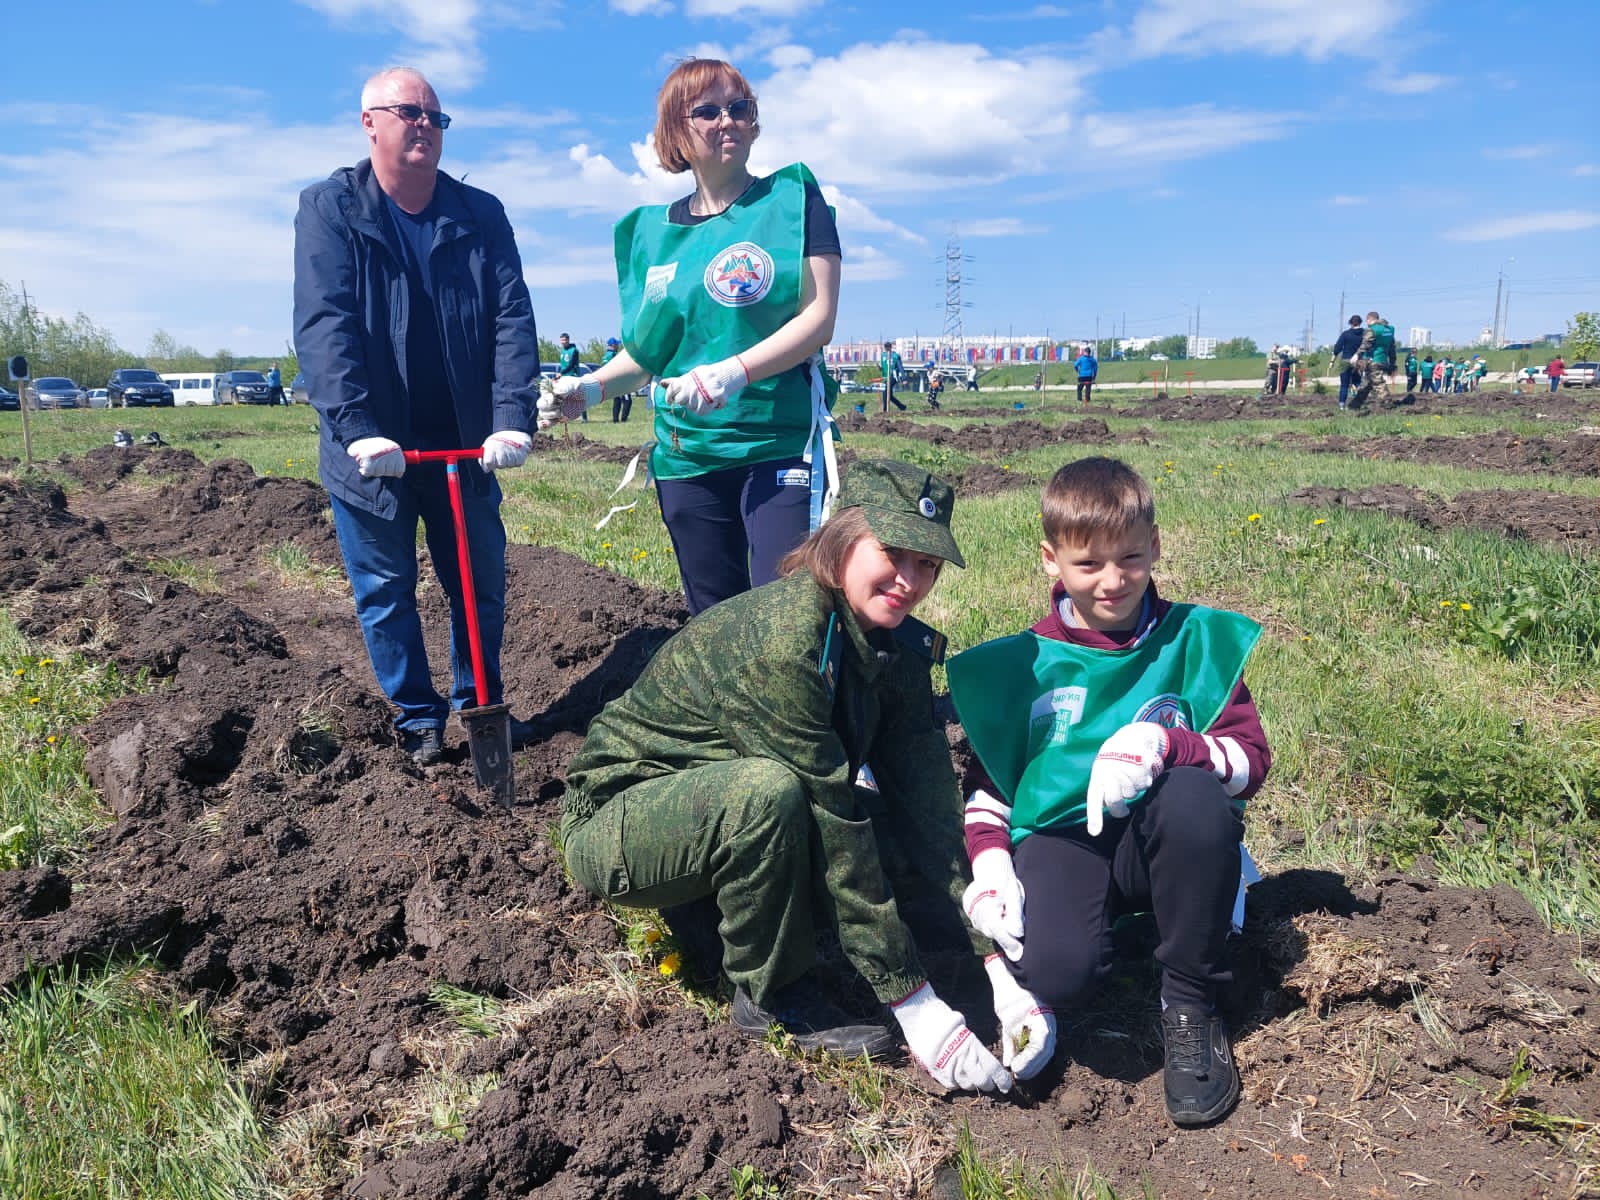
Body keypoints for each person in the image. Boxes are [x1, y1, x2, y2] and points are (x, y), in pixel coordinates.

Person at [560, 459, 1054, 1092]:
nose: (909, 579)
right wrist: (915, 1004)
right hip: (622, 821)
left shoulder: (889, 640)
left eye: (927, 563)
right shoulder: (785, 640)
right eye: (893, 552)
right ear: (844, 538)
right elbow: (830, 815)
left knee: (890, 838)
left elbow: (925, 796)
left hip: (713, 806)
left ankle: (721, 913)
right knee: (772, 798)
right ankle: (769, 993)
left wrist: (993, 960)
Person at [946, 456, 1270, 1127]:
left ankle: (1189, 1000)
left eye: (1130, 558)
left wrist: (1169, 746)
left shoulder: (1192, 642)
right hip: (1065, 837)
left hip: (1164, 830)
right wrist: (991, 866)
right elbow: (990, 786)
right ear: (1050, 559)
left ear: (1155, 546)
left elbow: (1251, 761)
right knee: (1061, 976)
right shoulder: (1023, 664)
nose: (1113, 580)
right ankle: (1141, 921)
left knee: (1193, 798)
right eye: (1089, 564)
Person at [293, 66, 539, 768]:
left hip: (463, 442)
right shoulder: (332, 209)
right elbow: (324, 325)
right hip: (371, 445)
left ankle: (480, 702)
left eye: (436, 117)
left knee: (478, 583)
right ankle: (417, 716)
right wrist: (354, 425)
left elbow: (512, 320)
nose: (425, 125)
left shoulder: (479, 214)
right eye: (410, 112)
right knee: (386, 588)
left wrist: (511, 414)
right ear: (370, 122)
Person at [537, 59, 844, 616]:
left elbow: (818, 317)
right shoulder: (652, 234)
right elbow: (648, 353)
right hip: (687, 458)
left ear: (754, 123)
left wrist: (733, 373)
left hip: (776, 444)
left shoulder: (793, 202)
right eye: (707, 111)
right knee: (713, 621)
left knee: (786, 614)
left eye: (739, 108)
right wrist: (591, 389)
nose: (726, 120)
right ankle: (729, 708)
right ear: (676, 130)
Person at [1350, 311, 1395, 408]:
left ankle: (1388, 404)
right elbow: (1392, 348)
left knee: (1378, 383)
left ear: (1369, 319)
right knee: (1366, 385)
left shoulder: (1372, 330)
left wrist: (1357, 355)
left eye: (1367, 321)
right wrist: (1392, 362)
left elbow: (1366, 344)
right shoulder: (1389, 330)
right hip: (1383, 360)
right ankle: (1354, 405)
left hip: (1374, 360)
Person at [1330, 315, 1364, 409]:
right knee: (1357, 382)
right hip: (1358, 361)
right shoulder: (1364, 334)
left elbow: (1337, 349)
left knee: (1344, 385)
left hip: (1345, 361)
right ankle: (1356, 401)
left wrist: (1332, 361)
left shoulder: (1346, 334)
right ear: (1361, 322)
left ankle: (1341, 406)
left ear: (1350, 323)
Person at [603, 337, 632, 423]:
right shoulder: (613, 355)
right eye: (617, 344)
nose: (618, 346)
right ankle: (623, 419)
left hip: (611, 380)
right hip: (619, 380)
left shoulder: (606, 355)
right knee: (627, 400)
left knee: (617, 400)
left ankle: (615, 419)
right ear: (613, 345)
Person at [881, 342, 907, 413]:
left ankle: (885, 410)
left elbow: (900, 367)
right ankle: (902, 406)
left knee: (885, 393)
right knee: (889, 396)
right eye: (885, 347)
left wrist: (903, 378)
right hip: (886, 377)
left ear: (890, 347)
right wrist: (880, 369)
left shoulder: (895, 356)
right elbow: (883, 367)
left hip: (893, 377)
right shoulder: (883, 355)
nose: (887, 349)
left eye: (888, 347)